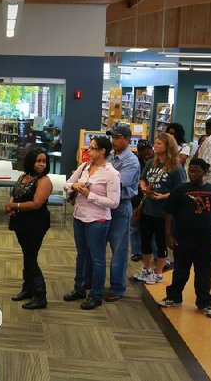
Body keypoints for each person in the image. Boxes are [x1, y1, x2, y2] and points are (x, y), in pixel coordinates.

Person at [158, 158, 211, 319]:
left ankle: (204, 302)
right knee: (180, 270)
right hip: (183, 238)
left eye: (197, 171)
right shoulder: (180, 190)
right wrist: (168, 234)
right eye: (191, 170)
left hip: (207, 239)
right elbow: (170, 213)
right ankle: (174, 297)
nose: (193, 174)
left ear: (205, 172)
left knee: (203, 272)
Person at [63, 137, 120, 311]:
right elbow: (67, 184)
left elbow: (114, 202)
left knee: (97, 259)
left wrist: (90, 195)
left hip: (97, 220)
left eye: (93, 148)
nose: (89, 151)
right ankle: (79, 288)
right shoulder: (85, 166)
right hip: (79, 216)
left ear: (103, 151)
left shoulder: (111, 174)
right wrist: (74, 186)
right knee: (81, 255)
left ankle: (95, 295)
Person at [134, 133, 184, 285]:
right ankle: (147, 268)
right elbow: (142, 179)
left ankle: (159, 272)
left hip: (164, 212)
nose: (155, 146)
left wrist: (163, 197)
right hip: (148, 208)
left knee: (161, 241)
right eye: (155, 143)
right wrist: (144, 189)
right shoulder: (151, 163)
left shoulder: (176, 167)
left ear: (168, 146)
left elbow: (180, 190)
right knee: (145, 239)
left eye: (159, 144)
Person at [6, 147, 52, 310]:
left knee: (31, 258)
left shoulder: (44, 181)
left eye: (44, 161)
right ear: (30, 162)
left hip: (36, 223)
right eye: (38, 161)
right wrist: (10, 206)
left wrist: (14, 205)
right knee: (27, 256)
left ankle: (41, 295)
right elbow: (15, 193)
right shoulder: (23, 177)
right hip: (21, 222)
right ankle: (28, 289)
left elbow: (36, 203)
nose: (41, 164)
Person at [102, 126, 140, 301]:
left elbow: (117, 183)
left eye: (117, 138)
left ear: (127, 139)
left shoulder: (131, 161)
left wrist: (99, 179)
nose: (113, 141)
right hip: (104, 205)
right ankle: (96, 282)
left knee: (119, 249)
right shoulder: (111, 157)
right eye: (112, 138)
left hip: (121, 207)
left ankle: (117, 288)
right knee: (99, 245)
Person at [130, 140, 153, 262]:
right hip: (137, 199)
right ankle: (136, 252)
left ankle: (156, 253)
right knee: (134, 226)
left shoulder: (157, 162)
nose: (145, 154)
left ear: (151, 149)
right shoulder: (135, 163)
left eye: (147, 150)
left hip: (152, 199)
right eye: (142, 152)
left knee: (152, 229)